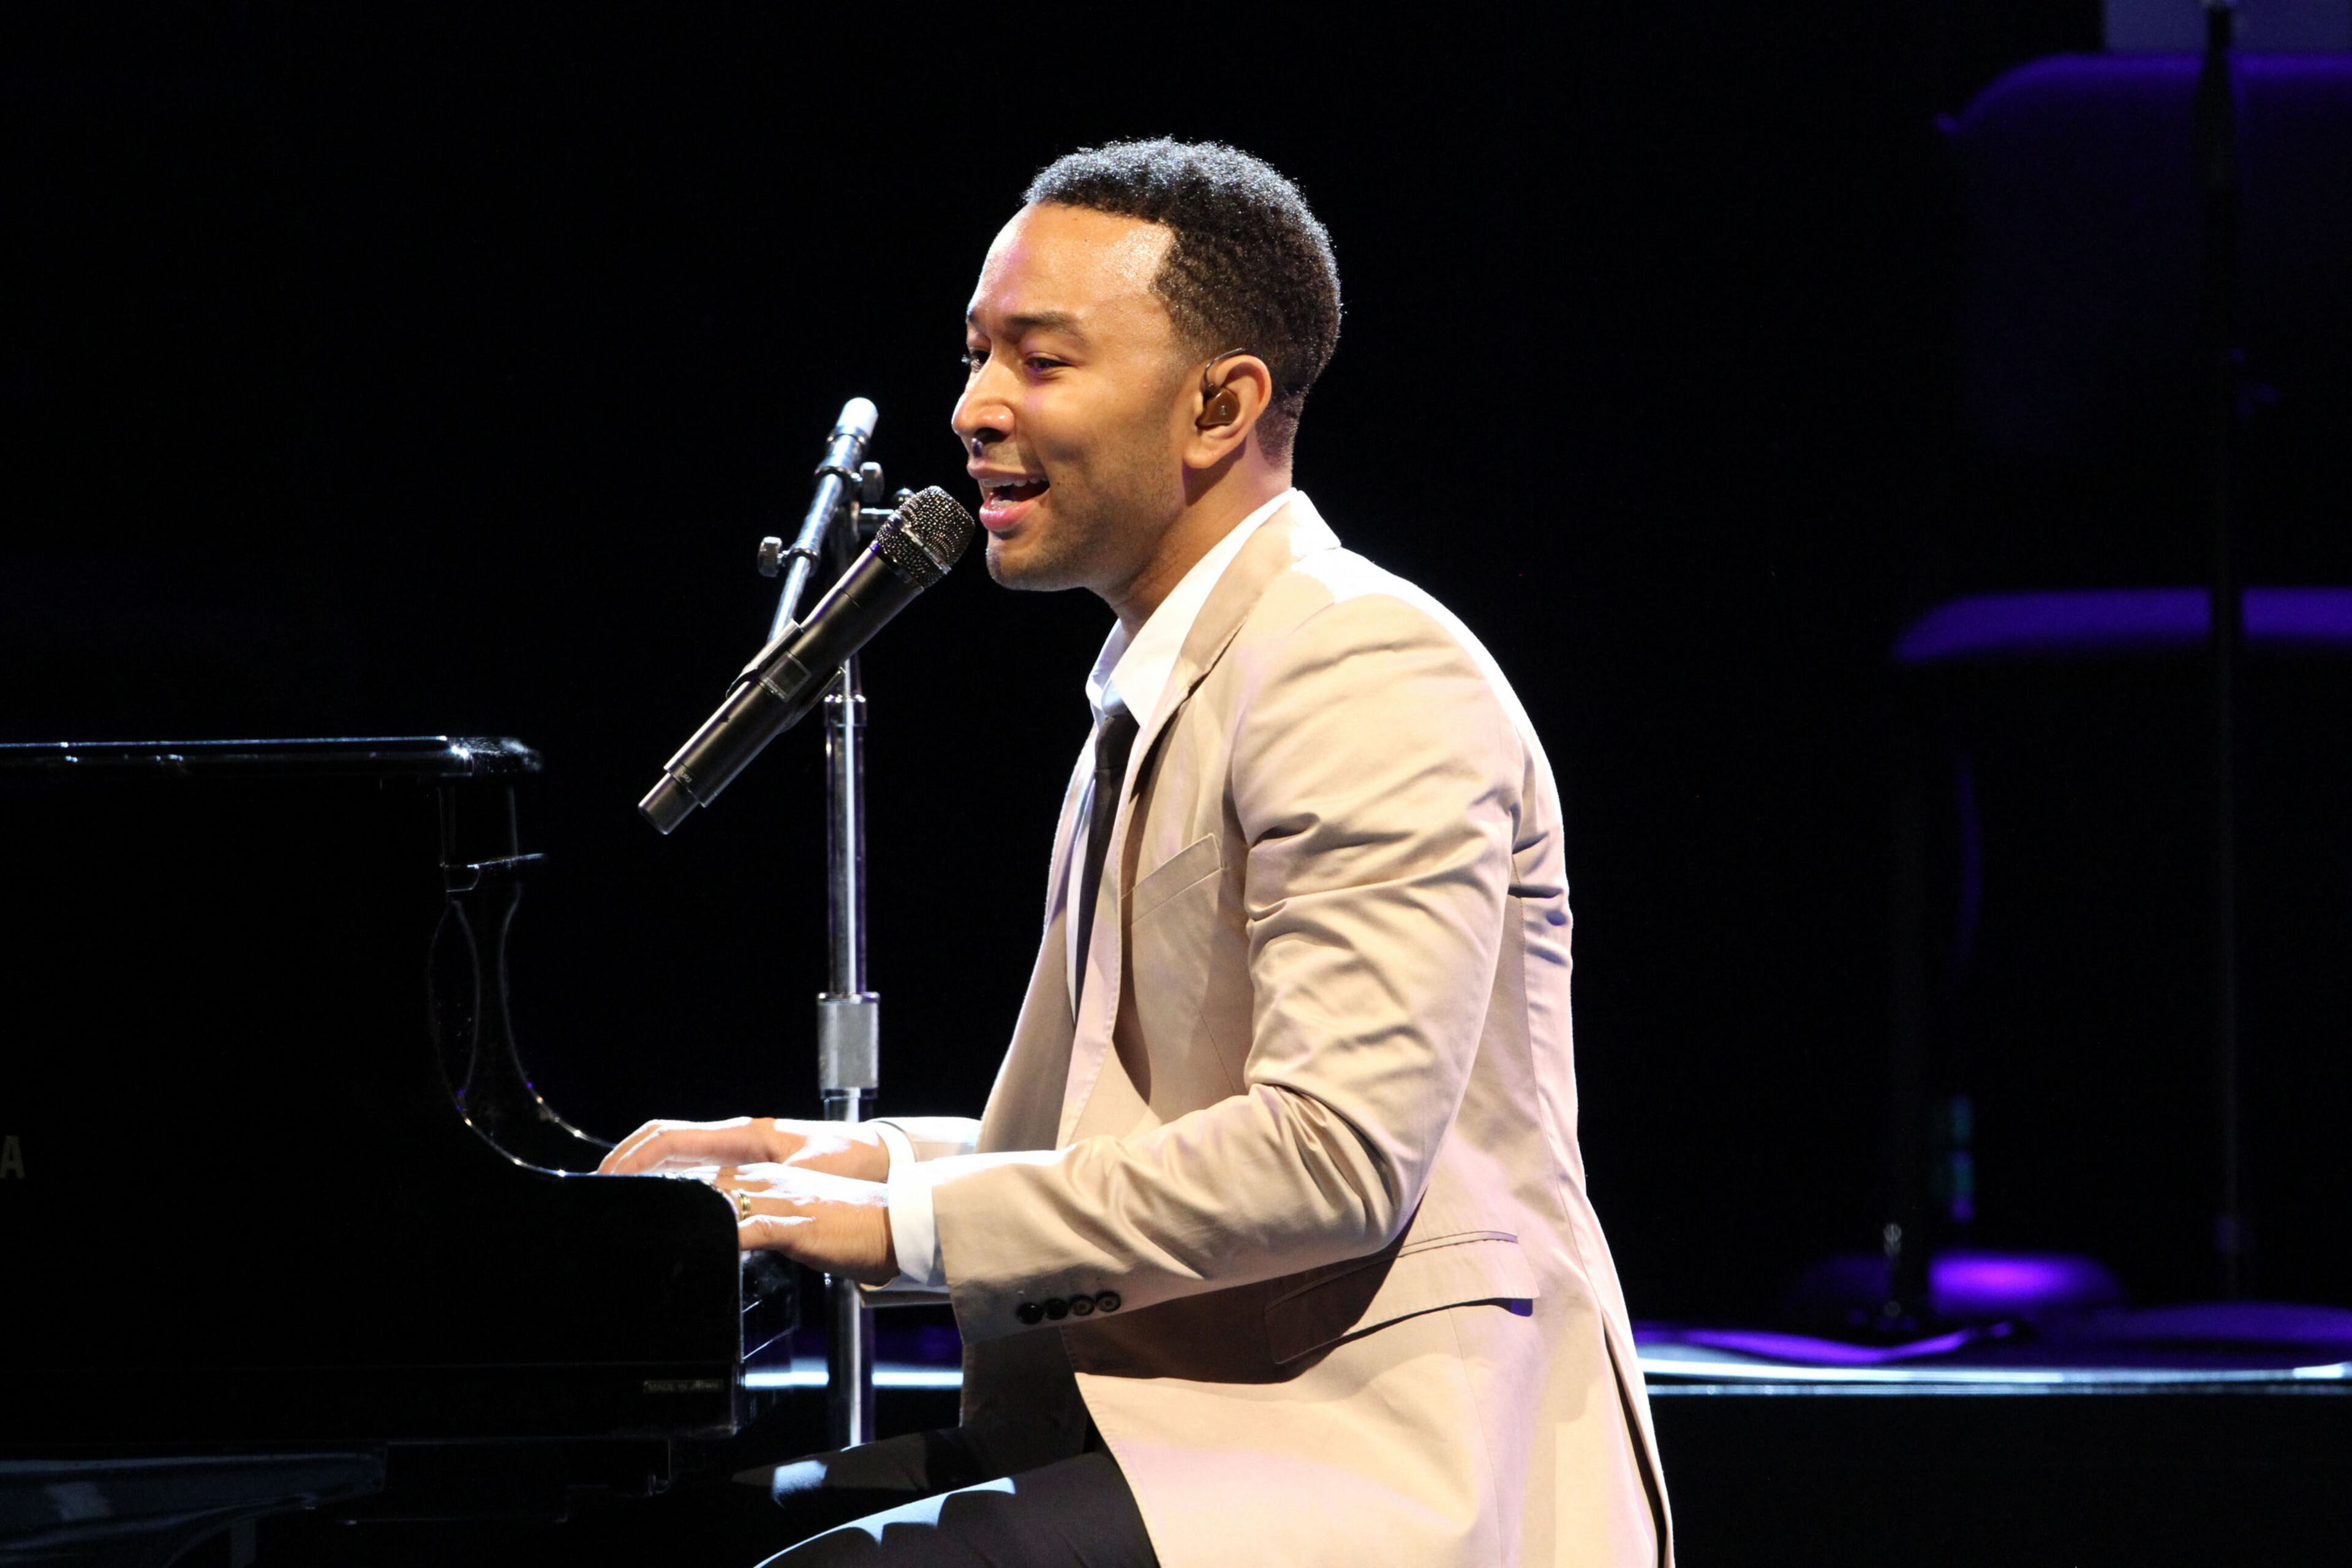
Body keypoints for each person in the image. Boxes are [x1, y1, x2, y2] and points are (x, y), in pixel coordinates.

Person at [600, 138, 1671, 1567]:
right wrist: (823, 1155)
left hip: (1371, 1456)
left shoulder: (1360, 666)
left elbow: (1332, 1155)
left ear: (1219, 405)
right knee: (669, 1533)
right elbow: (1128, 1152)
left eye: (1040, 362)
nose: (974, 408)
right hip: (1188, 1421)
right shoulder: (1163, 684)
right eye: (978, 354)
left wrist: (895, 1220)